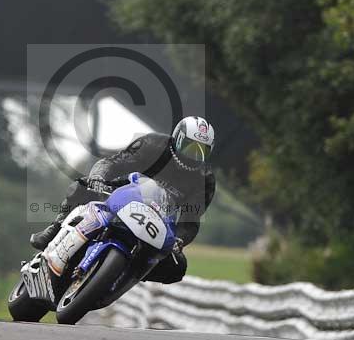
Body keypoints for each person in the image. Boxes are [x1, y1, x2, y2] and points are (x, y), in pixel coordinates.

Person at [31, 116, 216, 284]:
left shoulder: (205, 178)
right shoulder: (153, 144)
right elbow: (112, 163)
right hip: (122, 194)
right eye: (190, 146)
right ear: (178, 138)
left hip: (158, 222)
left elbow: (192, 218)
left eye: (202, 150)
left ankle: (129, 275)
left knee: (178, 267)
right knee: (82, 185)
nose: (194, 154)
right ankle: (55, 228)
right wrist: (98, 177)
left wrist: (180, 240)